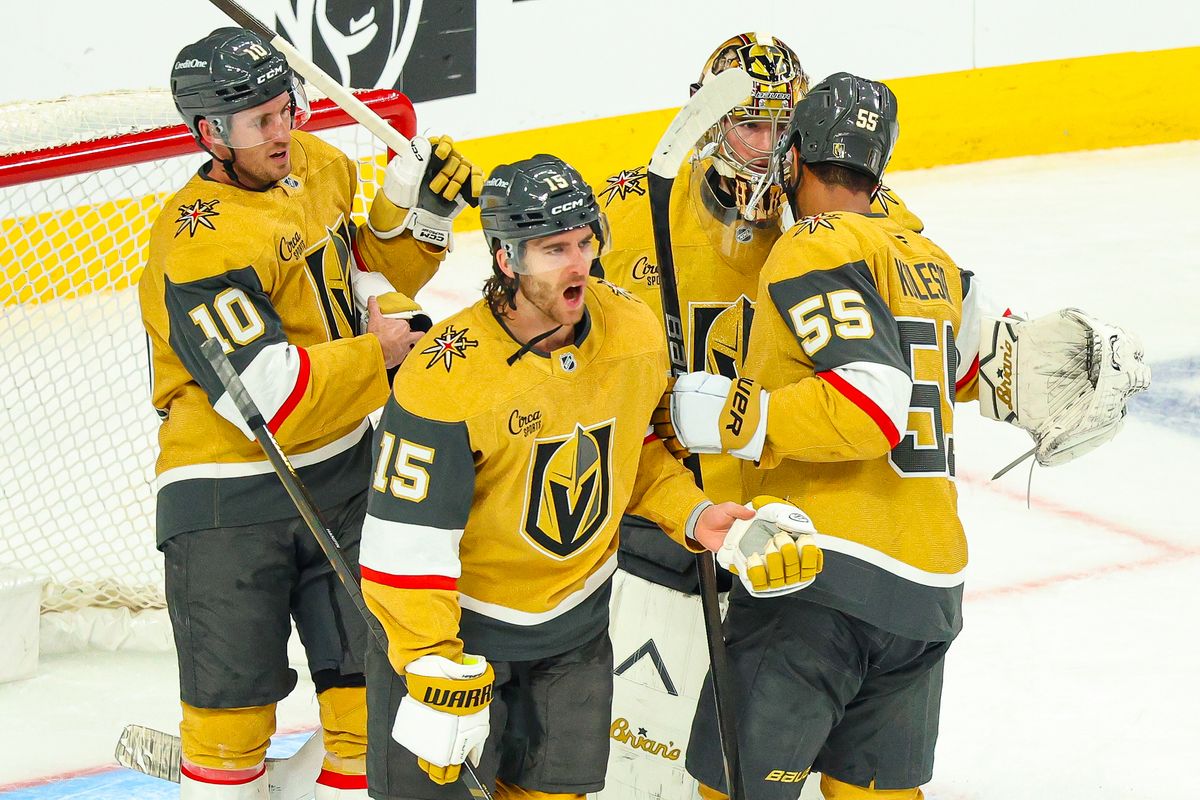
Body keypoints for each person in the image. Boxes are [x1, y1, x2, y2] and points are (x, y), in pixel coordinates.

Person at [655, 72, 1149, 800]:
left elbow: (870, 404)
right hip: (927, 594)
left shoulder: (813, 247)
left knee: (738, 791)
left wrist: (741, 417)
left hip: (818, 576)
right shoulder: (931, 262)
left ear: (793, 158)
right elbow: (967, 370)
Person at [356, 154, 819, 800]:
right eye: (553, 250)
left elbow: (637, 457)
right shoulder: (445, 377)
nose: (578, 263)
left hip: (573, 638)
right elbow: (403, 545)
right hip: (462, 645)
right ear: (505, 259)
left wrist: (692, 513)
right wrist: (431, 664)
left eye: (584, 242)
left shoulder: (631, 333)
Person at [138, 27, 479, 800]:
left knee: (368, 713)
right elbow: (271, 398)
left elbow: (367, 277)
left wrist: (416, 205)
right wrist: (383, 352)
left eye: (285, 109)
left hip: (347, 478)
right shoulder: (195, 244)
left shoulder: (319, 166)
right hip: (227, 501)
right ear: (209, 135)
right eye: (260, 122)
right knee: (230, 743)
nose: (283, 131)